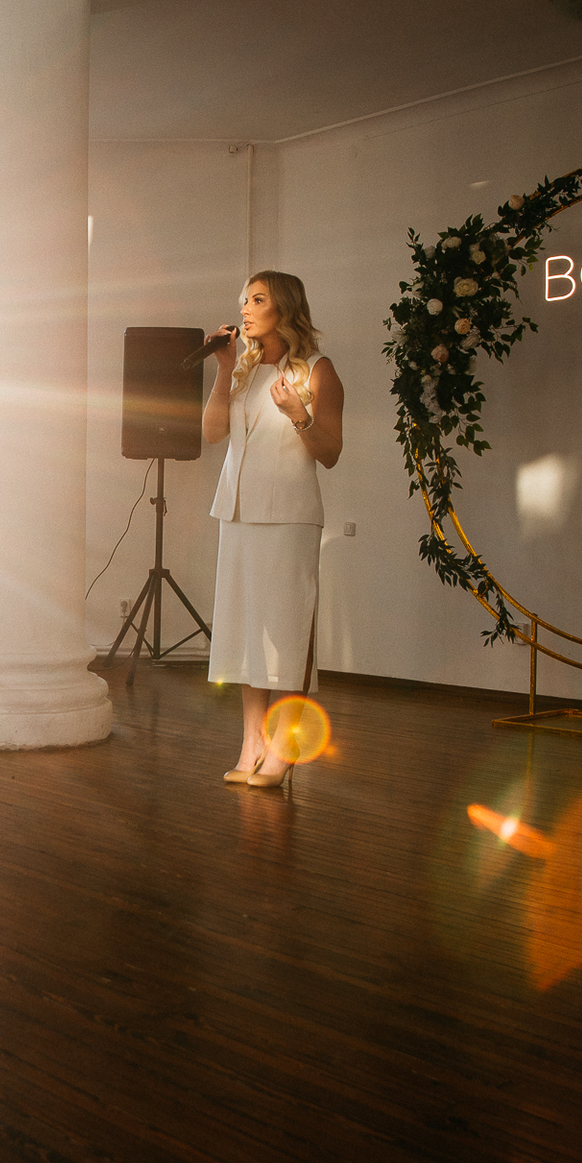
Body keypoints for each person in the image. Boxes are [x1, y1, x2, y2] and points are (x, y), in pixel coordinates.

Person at [201, 270, 343, 786]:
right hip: (237, 513)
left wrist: (299, 413)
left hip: (289, 516)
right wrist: (223, 369)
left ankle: (284, 748)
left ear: (284, 307)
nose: (244, 308)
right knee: (244, 631)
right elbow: (212, 433)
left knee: (286, 632)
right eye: (243, 299)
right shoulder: (240, 369)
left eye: (257, 299)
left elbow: (330, 453)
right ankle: (251, 743)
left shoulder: (319, 371)